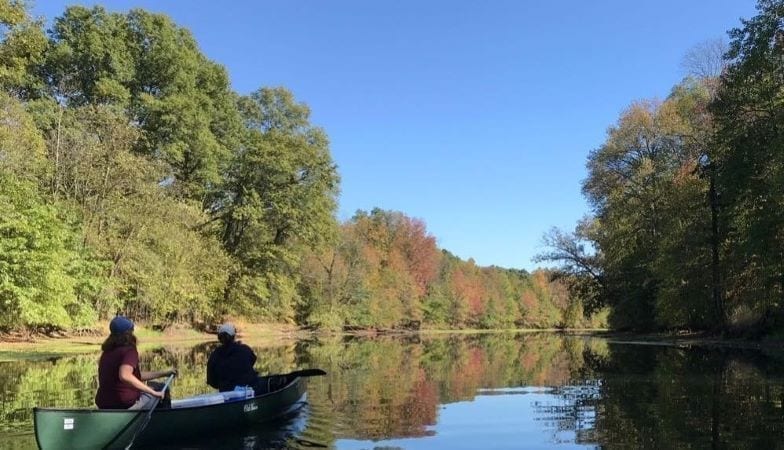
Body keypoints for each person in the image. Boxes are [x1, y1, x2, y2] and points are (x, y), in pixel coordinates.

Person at [95, 316, 177, 409]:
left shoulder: (107, 351)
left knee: (153, 386)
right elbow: (125, 376)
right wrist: (153, 392)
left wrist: (164, 373)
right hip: (125, 403)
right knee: (161, 387)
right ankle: (163, 420)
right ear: (129, 333)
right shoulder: (129, 351)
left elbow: (134, 376)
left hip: (103, 404)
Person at [206, 324, 260, 392]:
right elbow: (253, 360)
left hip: (226, 393)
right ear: (233, 336)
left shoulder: (214, 355)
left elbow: (211, 380)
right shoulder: (245, 349)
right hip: (250, 389)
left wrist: (222, 384)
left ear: (219, 338)